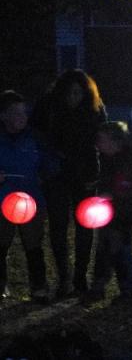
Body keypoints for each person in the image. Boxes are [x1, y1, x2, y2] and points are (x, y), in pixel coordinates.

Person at [30, 69, 107, 295]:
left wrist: (98, 171)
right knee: (58, 225)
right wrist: (50, 155)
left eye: (78, 93)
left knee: (85, 224)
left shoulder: (94, 108)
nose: (73, 97)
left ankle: (80, 276)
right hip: (57, 173)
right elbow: (35, 133)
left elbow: (103, 137)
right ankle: (64, 277)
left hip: (85, 173)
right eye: (70, 93)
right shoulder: (48, 106)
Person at [0, 91, 51, 303]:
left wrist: (44, 175)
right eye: (15, 113)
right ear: (3, 116)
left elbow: (50, 163)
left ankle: (39, 288)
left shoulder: (35, 138)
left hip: (31, 201)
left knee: (33, 245)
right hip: (2, 200)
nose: (22, 117)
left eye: (23, 112)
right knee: (1, 244)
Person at [86, 121, 132, 301]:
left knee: (120, 250)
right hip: (109, 213)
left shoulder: (126, 162)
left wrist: (110, 195)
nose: (98, 143)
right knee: (105, 249)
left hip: (122, 214)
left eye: (102, 139)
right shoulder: (108, 159)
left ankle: (128, 288)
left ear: (115, 142)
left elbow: (127, 188)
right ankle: (100, 286)